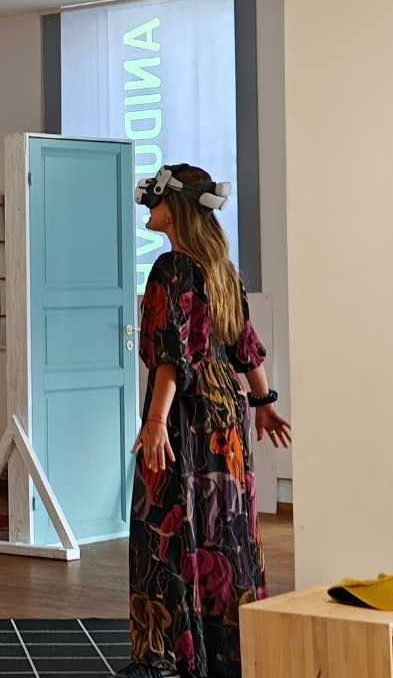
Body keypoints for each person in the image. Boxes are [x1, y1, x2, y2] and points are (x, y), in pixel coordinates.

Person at [118, 165, 292, 678]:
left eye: (156, 199)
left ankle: (162, 656)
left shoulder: (171, 267)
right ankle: (228, 653)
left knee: (163, 525)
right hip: (227, 412)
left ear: (176, 209)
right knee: (226, 527)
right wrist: (262, 402)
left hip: (186, 414)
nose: (149, 207)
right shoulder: (221, 268)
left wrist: (156, 421)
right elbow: (244, 345)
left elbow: (171, 356)